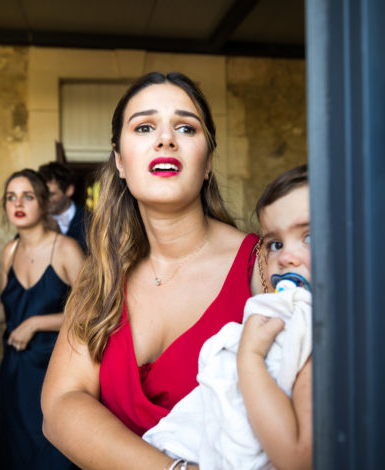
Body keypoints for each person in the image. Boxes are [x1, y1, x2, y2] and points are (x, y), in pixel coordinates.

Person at [41, 71, 261, 470]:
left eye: (185, 127)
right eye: (144, 127)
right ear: (120, 161)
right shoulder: (101, 275)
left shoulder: (260, 266)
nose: (165, 139)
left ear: (208, 161)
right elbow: (61, 404)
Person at [143, 165, 313, 470]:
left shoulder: (317, 336)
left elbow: (296, 458)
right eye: (275, 244)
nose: (287, 257)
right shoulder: (283, 315)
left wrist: (249, 358)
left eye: (310, 238)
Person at [0, 169, 84, 469]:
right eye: (10, 197)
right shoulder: (10, 250)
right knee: (17, 450)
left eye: (27, 196)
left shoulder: (66, 249)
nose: (18, 203)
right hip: (16, 369)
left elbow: (92, 312)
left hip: (57, 368)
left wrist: (35, 324)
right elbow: (12, 307)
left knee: (54, 452)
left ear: (43, 203)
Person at [37, 161, 88, 252]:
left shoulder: (91, 221)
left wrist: (58, 236)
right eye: (42, 194)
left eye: (51, 194)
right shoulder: (34, 220)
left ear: (69, 190)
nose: (45, 199)